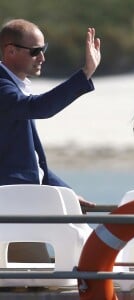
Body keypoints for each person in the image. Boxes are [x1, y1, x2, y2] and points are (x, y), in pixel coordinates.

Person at [0, 19, 101, 262]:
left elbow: (29, 159)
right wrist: (85, 73)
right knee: (33, 278)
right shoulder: (3, 88)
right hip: (12, 207)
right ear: (10, 51)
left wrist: (63, 192)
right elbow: (40, 107)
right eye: (35, 52)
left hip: (23, 203)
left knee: (40, 275)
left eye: (44, 50)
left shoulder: (14, 86)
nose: (42, 58)